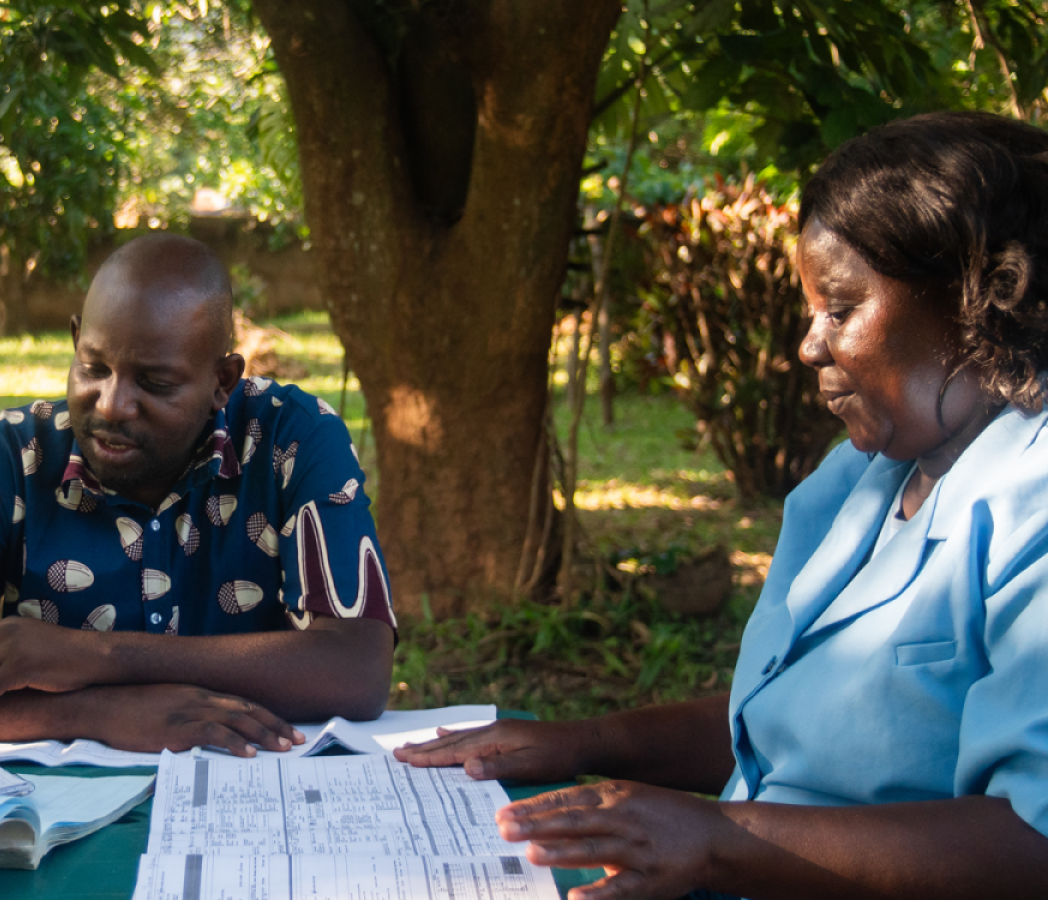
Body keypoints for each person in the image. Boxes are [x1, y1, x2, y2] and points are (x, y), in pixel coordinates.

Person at [395, 111, 1048, 899]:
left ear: (978, 302)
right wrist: (582, 742)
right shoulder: (857, 484)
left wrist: (718, 839)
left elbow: (1030, 841)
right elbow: (782, 722)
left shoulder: (1030, 502)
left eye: (840, 310)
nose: (809, 346)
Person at [0, 234, 397, 756]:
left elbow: (356, 667)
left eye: (154, 384)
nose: (111, 404)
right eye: (94, 367)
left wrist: (91, 656)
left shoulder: (290, 439)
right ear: (76, 339)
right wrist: (98, 713)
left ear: (221, 382)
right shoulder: (7, 462)